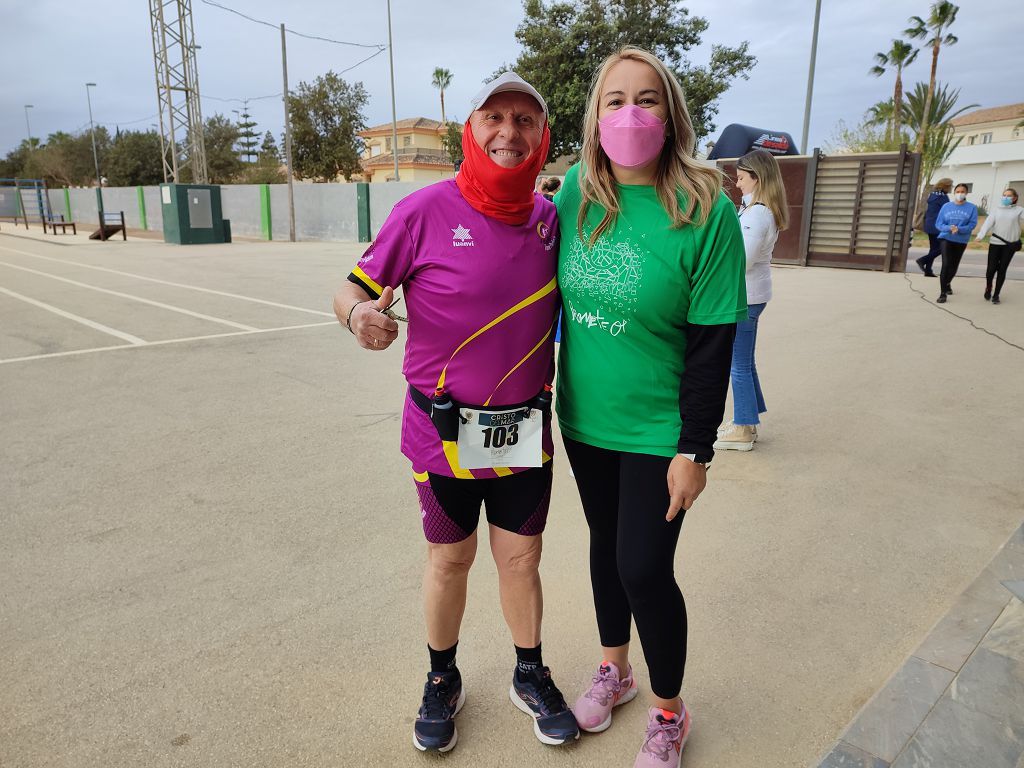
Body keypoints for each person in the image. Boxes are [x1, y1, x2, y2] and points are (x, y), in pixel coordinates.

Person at [332, 71, 579, 753]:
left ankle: (529, 672)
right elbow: (352, 289)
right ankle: (442, 678)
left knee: (521, 558)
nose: (509, 132)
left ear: (542, 135)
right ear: (469, 130)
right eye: (494, 117)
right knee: (450, 558)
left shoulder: (550, 220)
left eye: (525, 119)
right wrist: (359, 316)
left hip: (524, 428)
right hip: (442, 432)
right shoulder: (422, 211)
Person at [553, 47, 746, 766]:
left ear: (672, 113)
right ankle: (616, 671)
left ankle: (669, 708)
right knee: (606, 549)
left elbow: (712, 343)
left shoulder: (706, 209)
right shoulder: (577, 191)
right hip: (584, 419)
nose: (630, 113)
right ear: (594, 115)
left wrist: (697, 448)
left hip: (660, 428)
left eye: (647, 98)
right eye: (614, 100)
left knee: (643, 566)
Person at [714, 149, 789, 452]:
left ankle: (743, 429)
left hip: (746, 296)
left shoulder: (757, 214)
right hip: (752, 294)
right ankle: (748, 420)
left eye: (743, 177)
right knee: (744, 362)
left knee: (738, 364)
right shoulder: (755, 209)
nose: (738, 182)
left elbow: (740, 260)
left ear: (757, 178)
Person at [976, 187, 1024, 304]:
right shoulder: (996, 210)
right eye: (1004, 195)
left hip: (1010, 245)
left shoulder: (1019, 210)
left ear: (1015, 198)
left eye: (1009, 196)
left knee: (1002, 269)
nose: (1006, 197)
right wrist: (980, 235)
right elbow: (988, 223)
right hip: (995, 243)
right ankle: (988, 287)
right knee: (991, 269)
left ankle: (996, 294)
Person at [935, 183, 978, 303]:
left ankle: (947, 283)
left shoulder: (972, 208)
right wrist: (949, 228)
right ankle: (943, 293)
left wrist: (959, 229)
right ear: (954, 193)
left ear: (966, 193)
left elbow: (972, 224)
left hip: (961, 240)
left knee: (954, 266)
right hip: (946, 238)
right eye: (957, 191)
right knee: (946, 264)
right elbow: (939, 224)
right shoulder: (946, 206)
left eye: (962, 191)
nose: (960, 193)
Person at [916, 178, 952, 277]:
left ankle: (928, 270)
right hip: (938, 226)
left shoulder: (932, 195)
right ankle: (922, 260)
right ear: (946, 186)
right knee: (943, 248)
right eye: (950, 186)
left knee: (933, 248)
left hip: (929, 225)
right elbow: (947, 212)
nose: (951, 188)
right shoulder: (943, 197)